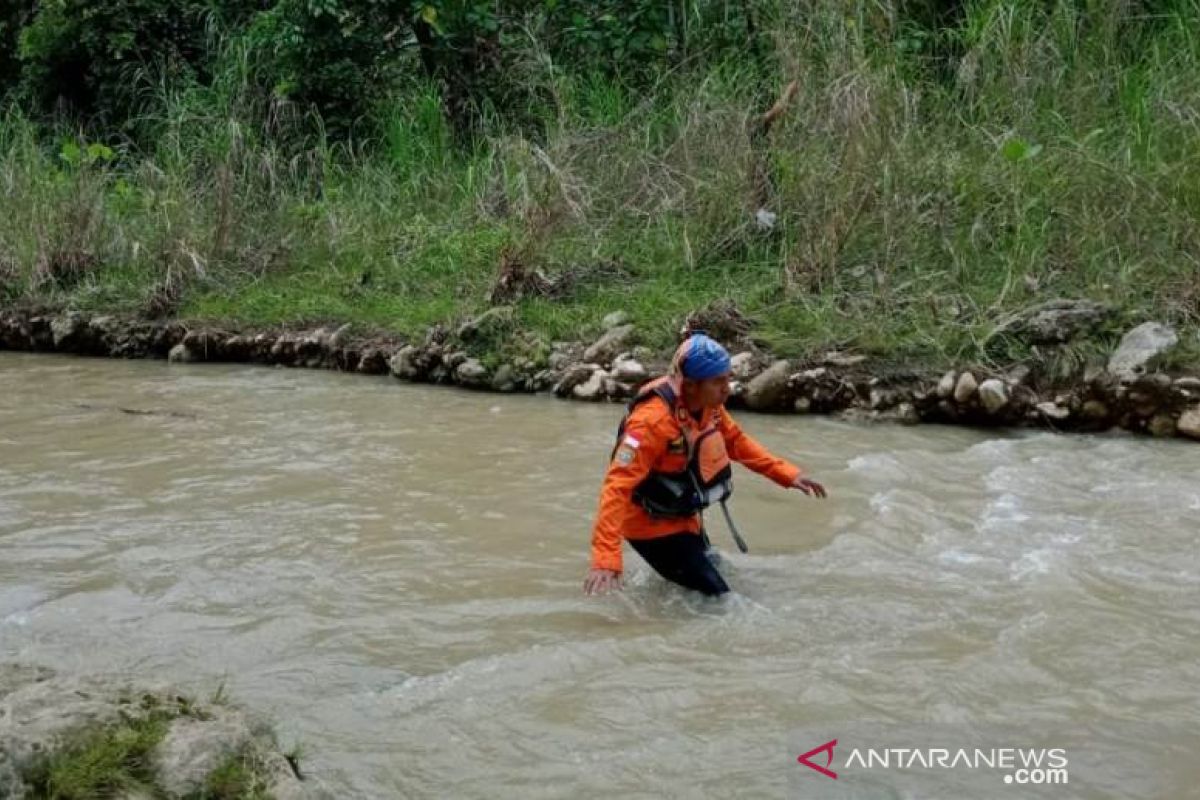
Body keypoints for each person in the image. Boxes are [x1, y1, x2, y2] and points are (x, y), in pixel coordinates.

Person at [584, 333, 827, 597]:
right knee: (721, 598)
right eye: (718, 382)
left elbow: (736, 441)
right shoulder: (651, 423)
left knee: (714, 577)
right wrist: (606, 560)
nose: (728, 388)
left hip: (684, 516)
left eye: (728, 379)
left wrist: (788, 475)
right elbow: (616, 488)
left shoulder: (708, 404)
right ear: (689, 385)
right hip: (649, 525)